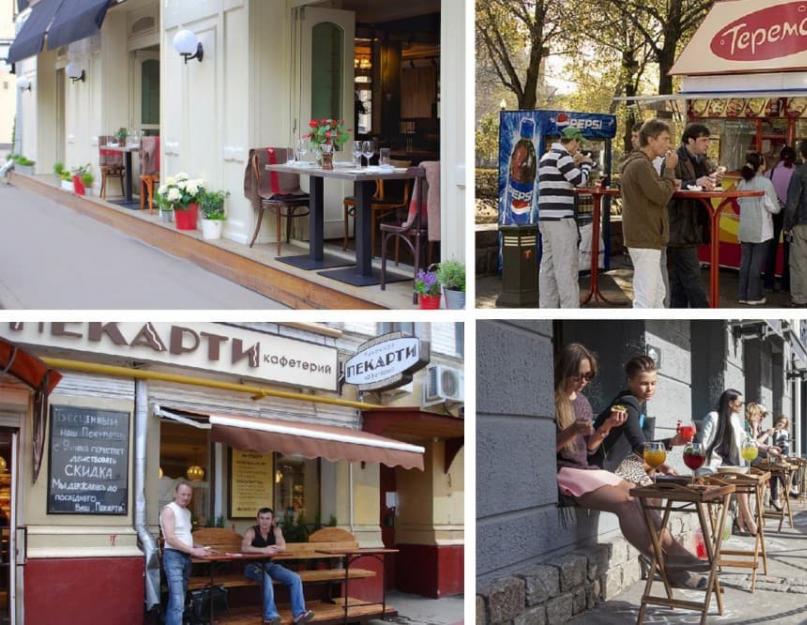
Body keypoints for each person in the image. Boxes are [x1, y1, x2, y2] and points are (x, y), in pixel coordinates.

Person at [555, 343, 709, 588]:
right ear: (564, 371)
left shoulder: (583, 401)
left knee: (642, 495)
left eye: (589, 375)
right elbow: (639, 446)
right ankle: (668, 561)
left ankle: (671, 557)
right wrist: (662, 462)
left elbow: (591, 447)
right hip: (571, 472)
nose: (584, 381)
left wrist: (604, 429)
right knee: (634, 498)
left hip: (593, 469)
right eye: (579, 375)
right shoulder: (623, 403)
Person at [590, 355, 685, 484]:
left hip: (619, 464)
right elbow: (639, 446)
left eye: (653, 383)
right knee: (653, 487)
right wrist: (661, 465)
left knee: (652, 480)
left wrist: (671, 441)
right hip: (605, 468)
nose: (650, 388)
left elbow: (640, 443)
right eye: (644, 383)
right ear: (630, 381)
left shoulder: (632, 402)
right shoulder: (628, 404)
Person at [620, 119, 678, 308]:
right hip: (646, 236)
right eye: (665, 139)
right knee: (647, 297)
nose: (668, 144)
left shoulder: (639, 164)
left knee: (656, 294)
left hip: (645, 236)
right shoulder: (641, 166)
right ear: (651, 140)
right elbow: (661, 196)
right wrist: (669, 171)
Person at [537, 126, 593, 308]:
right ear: (574, 141)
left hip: (546, 219)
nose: (579, 147)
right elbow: (580, 181)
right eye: (578, 143)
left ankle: (547, 308)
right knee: (566, 268)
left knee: (548, 267)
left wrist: (574, 163)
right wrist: (586, 163)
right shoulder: (562, 157)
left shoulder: (546, 157)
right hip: (561, 219)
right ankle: (570, 309)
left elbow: (560, 178)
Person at [666, 124, 720, 308]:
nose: (707, 144)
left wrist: (713, 178)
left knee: (680, 281)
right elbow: (670, 184)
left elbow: (700, 182)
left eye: (708, 140)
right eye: (704, 140)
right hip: (680, 227)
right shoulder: (675, 158)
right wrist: (695, 182)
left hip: (693, 224)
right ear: (690, 140)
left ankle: (677, 312)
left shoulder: (702, 160)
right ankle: (703, 313)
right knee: (691, 276)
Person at [697, 390, 757, 535]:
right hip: (711, 467)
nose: (742, 406)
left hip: (728, 467)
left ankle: (744, 520)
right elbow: (702, 444)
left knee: (742, 477)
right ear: (730, 403)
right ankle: (747, 519)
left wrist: (767, 447)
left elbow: (745, 439)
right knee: (736, 477)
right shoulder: (712, 417)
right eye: (740, 403)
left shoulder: (735, 419)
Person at [242, 507, 314, 625]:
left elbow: (282, 546)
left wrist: (276, 548)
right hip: (252, 566)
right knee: (267, 580)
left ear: (272, 520)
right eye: (262, 518)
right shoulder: (251, 531)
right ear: (257, 519)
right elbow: (244, 548)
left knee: (295, 578)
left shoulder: (276, 530)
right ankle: (270, 616)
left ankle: (299, 614)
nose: (264, 521)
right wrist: (263, 550)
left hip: (269, 565)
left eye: (267, 518)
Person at [160, 482, 215, 625]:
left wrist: (202, 547)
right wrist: (194, 551)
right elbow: (171, 538)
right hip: (173, 556)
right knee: (178, 600)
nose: (186, 497)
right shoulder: (168, 510)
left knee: (179, 598)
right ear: (175, 493)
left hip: (185, 557)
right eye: (183, 494)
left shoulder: (187, 512)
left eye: (189, 495)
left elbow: (184, 535)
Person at [737, 153, 780, 305]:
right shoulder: (766, 183)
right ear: (761, 165)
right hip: (761, 230)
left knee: (745, 263)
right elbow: (775, 208)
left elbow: (739, 201)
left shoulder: (742, 182)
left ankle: (743, 294)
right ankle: (754, 296)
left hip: (744, 228)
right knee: (756, 265)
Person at [765, 146, 795, 291]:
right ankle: (786, 283)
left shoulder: (769, 173)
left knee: (771, 246)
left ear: (780, 157)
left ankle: (768, 282)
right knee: (789, 249)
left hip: (774, 213)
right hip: (791, 215)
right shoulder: (798, 173)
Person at [784, 140, 807, 306]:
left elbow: (792, 203)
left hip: (801, 223)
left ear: (802, 154)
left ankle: (800, 298)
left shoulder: (800, 172)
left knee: (799, 262)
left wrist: (787, 226)